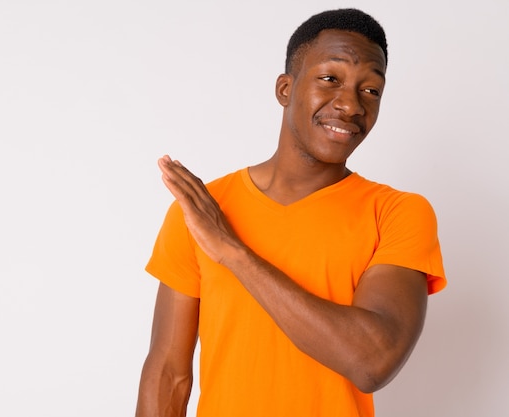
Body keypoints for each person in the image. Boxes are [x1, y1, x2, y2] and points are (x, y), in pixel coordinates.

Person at [135, 8, 446, 417]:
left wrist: (232, 251)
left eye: (370, 90)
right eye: (330, 78)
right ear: (285, 88)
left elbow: (372, 361)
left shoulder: (398, 212)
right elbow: (168, 374)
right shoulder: (201, 210)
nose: (351, 105)